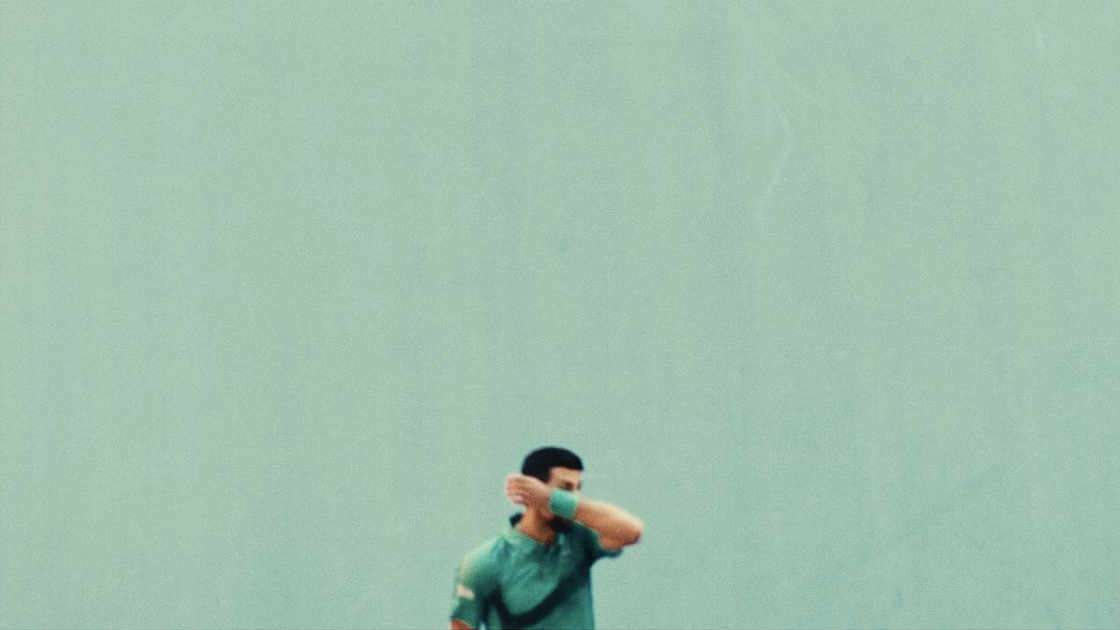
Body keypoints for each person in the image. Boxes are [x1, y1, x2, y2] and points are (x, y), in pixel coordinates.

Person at [449, 447, 644, 629]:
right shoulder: (482, 564)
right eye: (566, 489)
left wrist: (553, 499)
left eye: (578, 488)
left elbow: (631, 531)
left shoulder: (580, 540)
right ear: (533, 492)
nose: (574, 498)